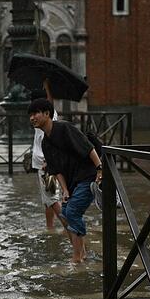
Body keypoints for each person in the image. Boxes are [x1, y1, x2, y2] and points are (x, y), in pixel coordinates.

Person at [29, 98, 102, 264]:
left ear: (47, 114)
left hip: (88, 175)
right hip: (72, 182)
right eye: (30, 115)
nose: (32, 118)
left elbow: (88, 147)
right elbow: (56, 170)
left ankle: (77, 258)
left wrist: (100, 169)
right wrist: (65, 190)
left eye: (36, 113)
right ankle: (82, 254)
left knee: (73, 212)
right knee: (66, 212)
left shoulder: (65, 128)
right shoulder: (45, 142)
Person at [30, 88, 62, 230]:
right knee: (48, 198)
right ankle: (50, 227)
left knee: (52, 198)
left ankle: (71, 227)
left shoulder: (43, 117)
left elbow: (50, 139)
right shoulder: (50, 113)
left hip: (45, 163)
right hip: (44, 161)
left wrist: (47, 161)